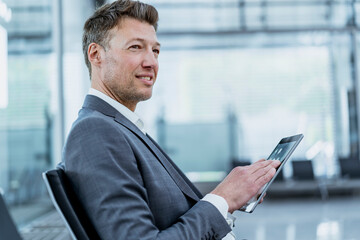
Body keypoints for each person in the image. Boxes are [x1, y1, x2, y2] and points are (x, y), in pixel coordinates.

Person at [61, 0, 281, 239]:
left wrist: (228, 197)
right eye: (135, 47)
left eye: (155, 50)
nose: (151, 62)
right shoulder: (96, 132)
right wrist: (223, 199)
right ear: (96, 55)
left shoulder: (121, 127)